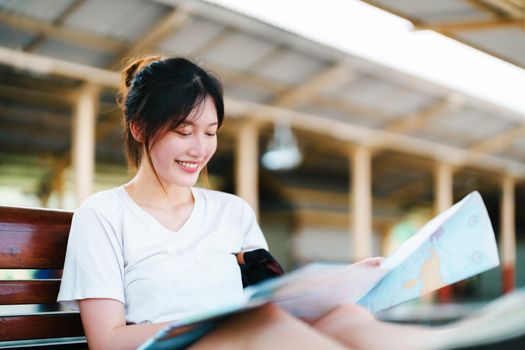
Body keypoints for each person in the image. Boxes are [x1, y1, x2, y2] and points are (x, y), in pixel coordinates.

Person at [56, 55, 520, 350]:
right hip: (183, 343)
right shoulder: (103, 215)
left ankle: (435, 345)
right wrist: (207, 322)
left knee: (341, 314)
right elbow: (107, 340)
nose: (199, 148)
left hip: (245, 332)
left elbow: (271, 289)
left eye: (211, 132)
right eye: (183, 131)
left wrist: (342, 282)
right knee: (256, 327)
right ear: (139, 129)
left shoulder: (231, 212)